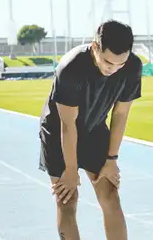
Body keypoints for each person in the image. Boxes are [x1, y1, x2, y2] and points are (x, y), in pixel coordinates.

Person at [38, 20, 143, 240]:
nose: (112, 69)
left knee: (110, 195)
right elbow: (67, 125)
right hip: (59, 131)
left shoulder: (132, 66)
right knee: (67, 200)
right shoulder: (71, 67)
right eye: (107, 62)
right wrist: (70, 169)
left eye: (119, 64)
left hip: (94, 128)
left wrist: (112, 159)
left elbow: (121, 114)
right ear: (95, 47)